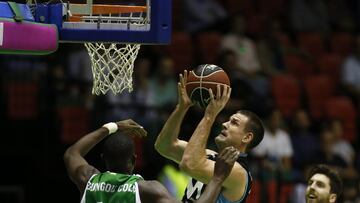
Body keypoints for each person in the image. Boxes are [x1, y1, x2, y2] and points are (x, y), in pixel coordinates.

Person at [63, 119, 241, 203]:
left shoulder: (87, 178)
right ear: (134, 160)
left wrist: (112, 127)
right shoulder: (145, 189)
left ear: (102, 159)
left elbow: (72, 153)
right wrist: (218, 177)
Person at [155, 70, 265, 202]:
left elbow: (189, 164)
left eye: (234, 122)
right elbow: (164, 146)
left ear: (247, 138)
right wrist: (182, 107)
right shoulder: (209, 156)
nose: (224, 124)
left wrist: (209, 115)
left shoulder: (238, 173)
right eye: (228, 120)